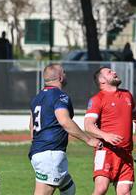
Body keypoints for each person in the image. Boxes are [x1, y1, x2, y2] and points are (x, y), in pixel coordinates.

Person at [29, 64, 101, 195]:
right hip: (50, 152)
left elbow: (31, 128)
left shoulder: (37, 98)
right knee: (44, 192)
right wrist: (89, 140)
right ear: (61, 78)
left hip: (40, 151)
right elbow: (65, 121)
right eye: (65, 73)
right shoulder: (60, 96)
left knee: (68, 187)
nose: (66, 75)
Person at [85, 67, 136, 195]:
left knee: (125, 192)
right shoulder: (97, 99)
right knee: (101, 189)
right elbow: (88, 125)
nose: (114, 72)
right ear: (102, 80)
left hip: (126, 153)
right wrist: (105, 135)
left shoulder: (127, 94)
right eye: (109, 72)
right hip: (106, 151)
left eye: (113, 71)